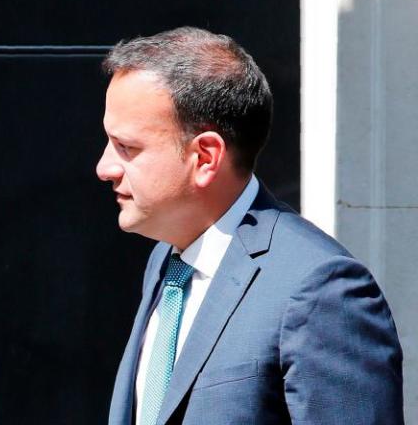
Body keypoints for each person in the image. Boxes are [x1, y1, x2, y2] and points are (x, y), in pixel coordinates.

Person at [97, 27, 403, 425]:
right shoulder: (168, 262)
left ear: (205, 157)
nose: (104, 168)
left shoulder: (319, 288)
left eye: (127, 148)